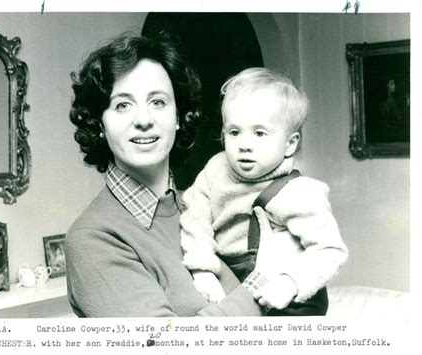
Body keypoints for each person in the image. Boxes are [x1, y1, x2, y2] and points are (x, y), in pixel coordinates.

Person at [65, 32, 278, 317]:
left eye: (158, 102)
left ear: (178, 117)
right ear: (100, 124)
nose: (144, 120)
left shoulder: (205, 208)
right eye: (123, 105)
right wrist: (264, 281)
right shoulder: (92, 239)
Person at [180, 68, 348, 314]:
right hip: (235, 283)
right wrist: (202, 268)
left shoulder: (300, 192)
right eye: (234, 132)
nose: (245, 145)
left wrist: (291, 283)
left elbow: (330, 249)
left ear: (290, 144)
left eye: (259, 133)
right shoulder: (215, 170)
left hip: (291, 299)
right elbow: (195, 219)